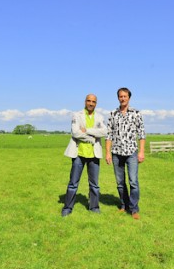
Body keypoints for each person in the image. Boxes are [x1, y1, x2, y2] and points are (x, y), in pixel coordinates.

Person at [62, 94, 107, 217]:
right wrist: (92, 138)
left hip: (94, 154)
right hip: (79, 153)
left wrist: (87, 130)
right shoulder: (77, 115)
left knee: (94, 184)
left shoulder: (100, 117)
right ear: (85, 102)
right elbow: (76, 133)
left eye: (93, 101)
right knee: (73, 183)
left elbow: (104, 131)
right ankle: (67, 208)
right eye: (89, 101)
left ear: (96, 103)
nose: (91, 103)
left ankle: (94, 207)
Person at [105, 87, 146, 220]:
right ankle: (124, 205)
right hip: (116, 153)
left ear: (129, 98)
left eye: (125, 96)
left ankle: (134, 209)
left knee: (133, 181)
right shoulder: (113, 114)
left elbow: (142, 134)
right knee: (120, 182)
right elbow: (108, 135)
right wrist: (107, 153)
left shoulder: (136, 113)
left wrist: (141, 152)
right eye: (120, 96)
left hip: (132, 152)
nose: (122, 98)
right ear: (118, 98)